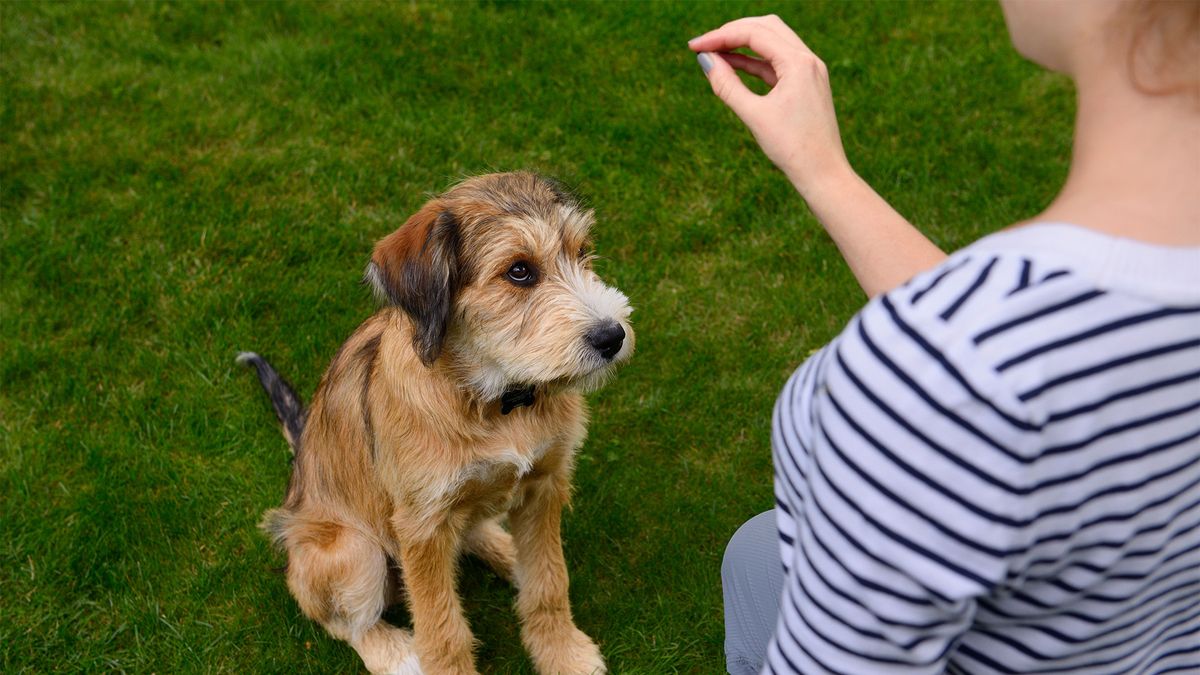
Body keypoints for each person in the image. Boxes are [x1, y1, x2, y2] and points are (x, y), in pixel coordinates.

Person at [689, 2, 1200, 673]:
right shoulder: (997, 352)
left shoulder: (931, 385)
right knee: (757, 551)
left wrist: (930, 357)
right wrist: (823, 169)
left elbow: (974, 379)